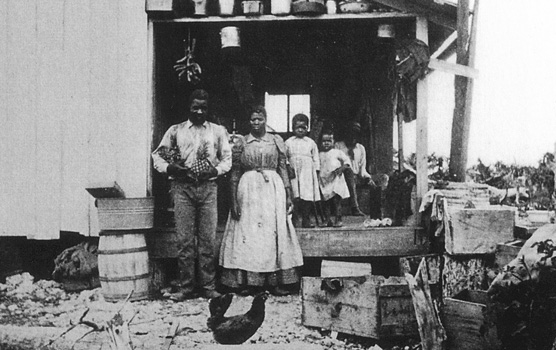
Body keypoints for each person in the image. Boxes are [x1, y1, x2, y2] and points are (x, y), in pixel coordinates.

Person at [152, 89, 232, 301]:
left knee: (207, 239)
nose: (199, 111)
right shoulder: (175, 130)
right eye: (195, 107)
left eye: (203, 108)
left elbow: (227, 159)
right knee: (184, 240)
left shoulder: (217, 131)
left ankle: (208, 286)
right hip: (182, 188)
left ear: (208, 109)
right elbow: (157, 157)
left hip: (208, 188)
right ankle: (186, 287)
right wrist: (171, 169)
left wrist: (214, 171)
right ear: (188, 107)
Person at [219, 105, 304, 297]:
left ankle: (274, 281)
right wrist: (233, 200)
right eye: (252, 119)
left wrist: (288, 194)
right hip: (248, 190)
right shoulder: (241, 142)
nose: (256, 123)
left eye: (260, 119)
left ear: (266, 119)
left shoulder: (276, 141)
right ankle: (249, 282)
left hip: (272, 190)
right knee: (249, 234)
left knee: (272, 233)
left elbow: (282, 168)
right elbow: (234, 173)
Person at [285, 114, 321, 228]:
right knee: (295, 194)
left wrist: (316, 171)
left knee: (307, 195)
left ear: (307, 128)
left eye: (303, 127)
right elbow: (284, 157)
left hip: (307, 172)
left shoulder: (310, 142)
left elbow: (316, 158)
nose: (300, 130)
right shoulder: (288, 142)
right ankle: (295, 218)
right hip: (293, 171)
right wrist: (287, 167)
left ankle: (306, 219)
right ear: (293, 128)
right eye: (297, 127)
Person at [335, 121, 374, 216]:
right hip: (342, 177)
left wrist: (368, 178)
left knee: (382, 178)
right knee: (349, 171)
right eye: (350, 133)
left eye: (355, 134)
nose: (352, 137)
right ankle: (354, 207)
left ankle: (376, 212)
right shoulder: (338, 146)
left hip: (356, 177)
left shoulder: (360, 148)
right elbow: (336, 165)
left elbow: (362, 170)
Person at [319, 130, 351, 227]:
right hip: (324, 180)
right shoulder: (319, 154)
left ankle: (338, 218)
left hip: (336, 179)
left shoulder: (337, 152)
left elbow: (347, 161)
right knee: (326, 201)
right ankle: (327, 219)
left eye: (329, 141)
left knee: (336, 200)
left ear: (333, 142)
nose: (326, 143)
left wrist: (342, 168)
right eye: (324, 141)